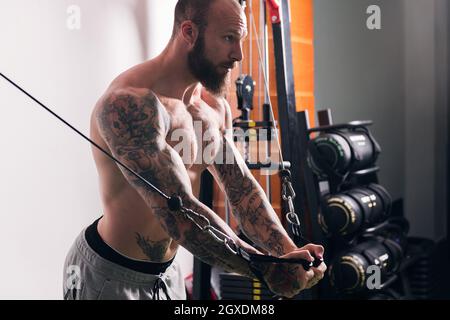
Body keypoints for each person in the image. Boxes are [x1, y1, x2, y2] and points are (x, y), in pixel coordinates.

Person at [63, 0, 326, 300]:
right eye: (228, 38)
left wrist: (288, 254)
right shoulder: (130, 105)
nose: (238, 54)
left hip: (167, 274)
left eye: (239, 40)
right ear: (189, 32)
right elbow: (179, 213)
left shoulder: (213, 107)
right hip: (111, 275)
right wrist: (264, 268)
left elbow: (241, 189)